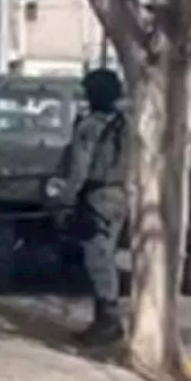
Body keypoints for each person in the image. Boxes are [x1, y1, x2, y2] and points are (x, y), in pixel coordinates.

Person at [57, 67, 129, 345]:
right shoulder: (125, 123)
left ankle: (109, 321)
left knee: (97, 259)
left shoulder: (90, 126)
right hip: (121, 194)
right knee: (105, 255)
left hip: (98, 196)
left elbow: (79, 169)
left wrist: (65, 200)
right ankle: (104, 320)